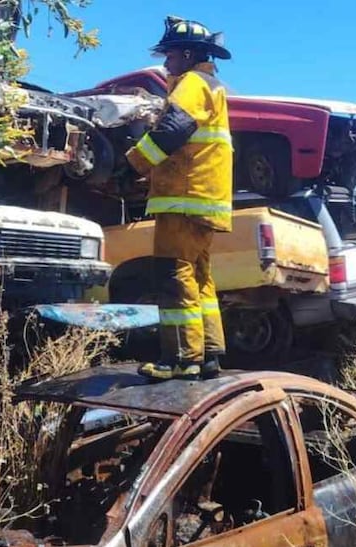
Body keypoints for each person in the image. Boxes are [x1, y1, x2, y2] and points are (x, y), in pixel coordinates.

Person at [124, 15, 234, 381]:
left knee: (174, 276)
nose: (166, 63)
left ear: (188, 55)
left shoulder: (193, 83)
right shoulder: (212, 86)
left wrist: (134, 163)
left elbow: (174, 128)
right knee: (199, 277)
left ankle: (181, 359)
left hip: (184, 199)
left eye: (170, 55)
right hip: (203, 201)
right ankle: (209, 355)